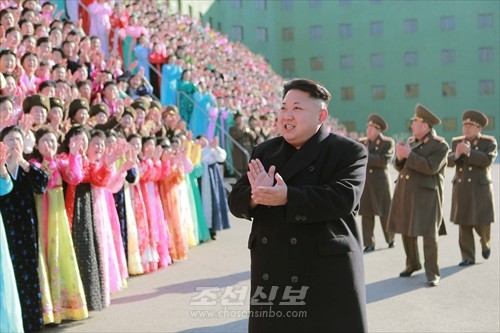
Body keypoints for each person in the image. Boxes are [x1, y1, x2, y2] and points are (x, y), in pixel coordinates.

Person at [228, 78, 368, 332]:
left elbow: (344, 197)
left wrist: (288, 197)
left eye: (297, 108)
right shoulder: (264, 151)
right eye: (283, 108)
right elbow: (236, 198)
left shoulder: (348, 151)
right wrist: (254, 196)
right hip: (273, 273)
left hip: (325, 272)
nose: (287, 116)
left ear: (321, 115)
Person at [387, 103, 449, 287]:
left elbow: (431, 168)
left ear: (425, 126)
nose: (411, 125)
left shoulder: (440, 146)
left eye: (415, 122)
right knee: (407, 231)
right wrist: (400, 157)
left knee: (429, 235)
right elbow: (400, 167)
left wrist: (409, 155)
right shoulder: (412, 142)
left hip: (427, 196)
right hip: (406, 193)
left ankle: (432, 273)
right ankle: (412, 264)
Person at [448, 110, 497, 266]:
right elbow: (448, 162)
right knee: (464, 223)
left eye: (470, 126)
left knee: (482, 221)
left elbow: (487, 161)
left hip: (480, 188)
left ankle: (485, 242)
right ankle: (467, 256)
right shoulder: (457, 142)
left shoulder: (488, 142)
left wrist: (469, 152)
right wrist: (456, 154)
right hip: (462, 188)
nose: (466, 129)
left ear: (479, 128)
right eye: (464, 125)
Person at [358, 113, 395, 252]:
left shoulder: (388, 142)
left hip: (380, 184)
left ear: (379, 130)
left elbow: (384, 160)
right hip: (366, 184)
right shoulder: (362, 142)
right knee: (366, 214)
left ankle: (390, 239)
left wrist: (367, 155)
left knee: (385, 213)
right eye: (368, 128)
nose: (369, 131)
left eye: (372, 128)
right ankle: (369, 243)